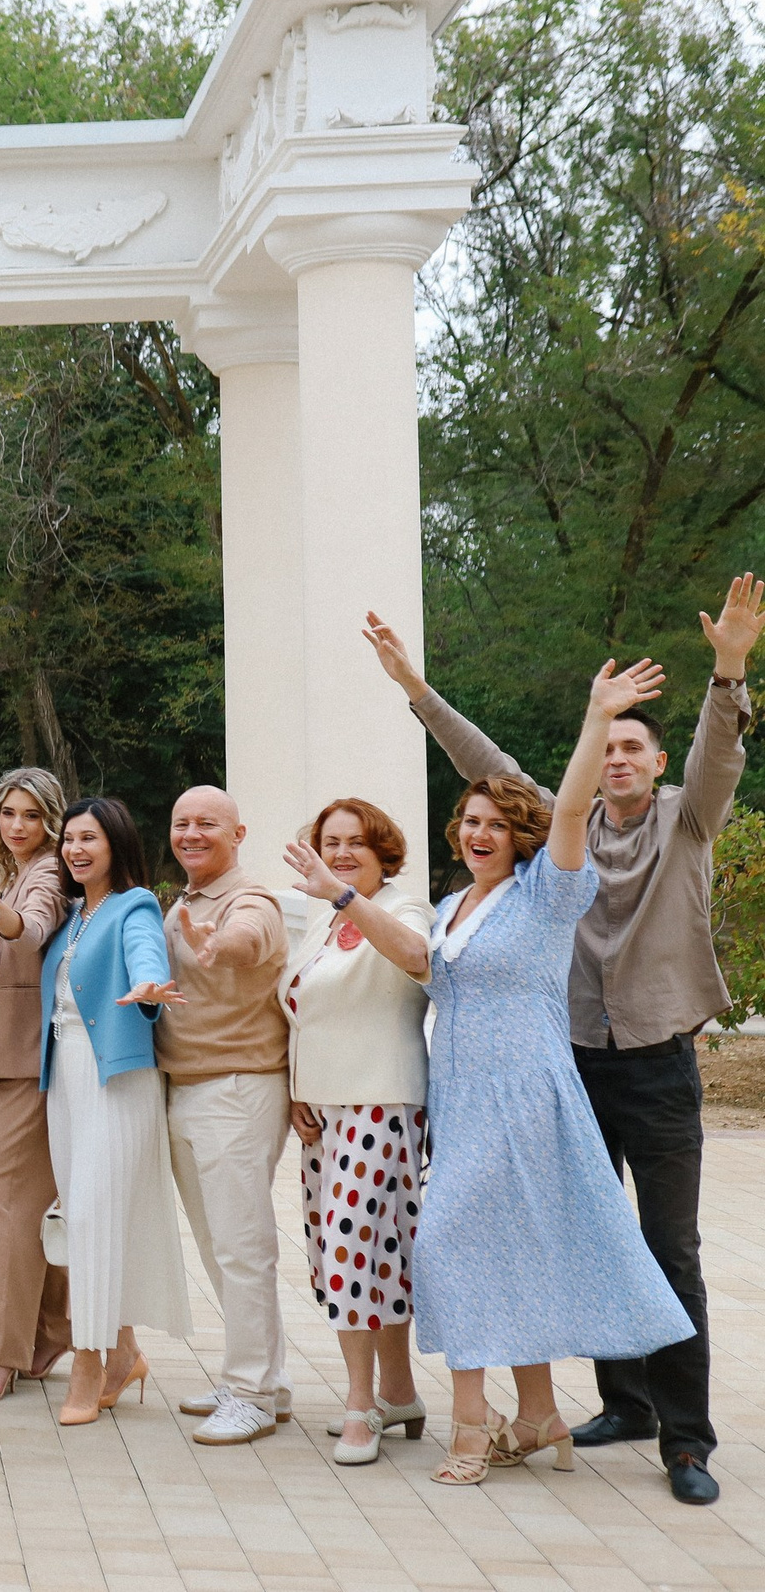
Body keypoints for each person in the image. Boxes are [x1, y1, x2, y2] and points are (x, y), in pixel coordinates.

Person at [369, 580, 757, 1506]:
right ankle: (619, 1402)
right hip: (565, 1065)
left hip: (659, 1065)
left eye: (633, 747)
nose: (617, 757)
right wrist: (416, 691)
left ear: (657, 761)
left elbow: (717, 751)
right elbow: (488, 766)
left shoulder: (688, 816)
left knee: (670, 1246)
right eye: (607, 745)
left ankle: (688, 1441)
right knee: (573, 1228)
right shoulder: (559, 832)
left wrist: (730, 667)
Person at [277, 798, 434, 1465]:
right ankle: (399, 1391)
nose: (341, 851)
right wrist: (294, 1088)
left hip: (381, 1100)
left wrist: (342, 895)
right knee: (365, 1256)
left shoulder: (402, 908)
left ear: (382, 850)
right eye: (329, 841)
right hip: (326, 1112)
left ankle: (359, 1404)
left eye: (355, 842)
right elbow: (302, 1012)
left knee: (351, 1251)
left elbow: (418, 959)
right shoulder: (322, 925)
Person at [39, 797, 188, 1426]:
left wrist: (150, 988)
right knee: (81, 1215)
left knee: (96, 1215)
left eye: (89, 839)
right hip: (66, 1078)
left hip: (113, 1078)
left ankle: (89, 1363)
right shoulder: (74, 915)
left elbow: (146, 952)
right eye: (69, 839)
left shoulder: (134, 905)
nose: (75, 849)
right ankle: (124, 1351)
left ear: (116, 843)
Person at [158, 785, 294, 1445]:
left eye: (207, 823)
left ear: (238, 834)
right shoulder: (185, 900)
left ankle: (251, 1392)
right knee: (219, 1245)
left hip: (237, 1090)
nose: (191, 833)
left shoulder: (250, 901)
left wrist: (220, 943)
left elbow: (249, 940)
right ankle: (261, 1376)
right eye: (182, 822)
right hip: (187, 1088)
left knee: (243, 1247)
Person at [0, 767, 73, 1404]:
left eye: (30, 815)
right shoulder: (13, 872)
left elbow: (33, 924)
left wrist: (5, 919)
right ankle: (55, 1331)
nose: (18, 826)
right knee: (30, 1204)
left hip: (33, 1058)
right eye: (8, 814)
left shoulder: (49, 872)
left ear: (49, 820)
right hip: (18, 1055)